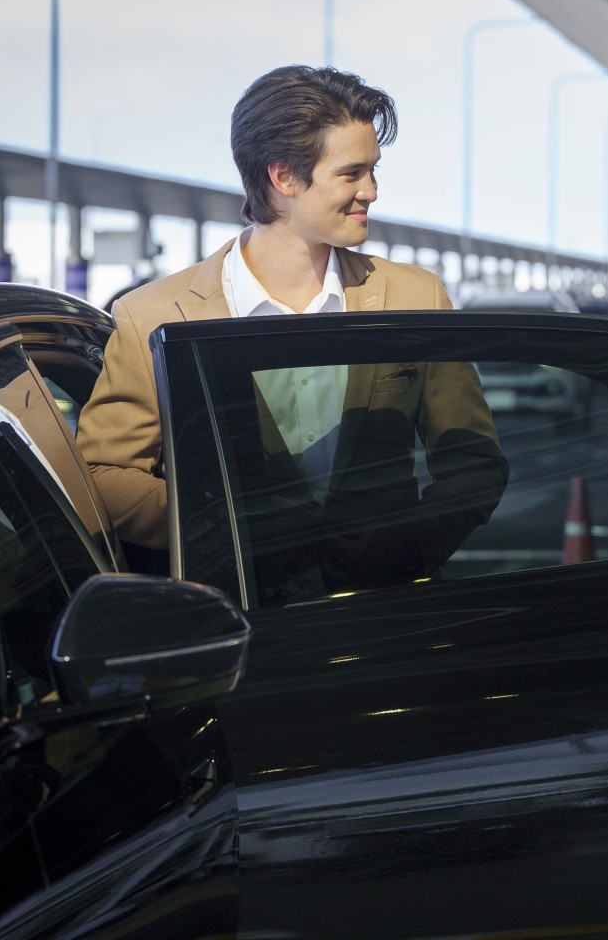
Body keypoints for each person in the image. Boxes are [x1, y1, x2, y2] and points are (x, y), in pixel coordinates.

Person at [77, 65, 507, 579]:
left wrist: (410, 542)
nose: (371, 191)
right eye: (351, 174)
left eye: (374, 171)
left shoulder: (416, 296)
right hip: (229, 624)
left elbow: (474, 461)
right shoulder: (153, 313)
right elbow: (106, 474)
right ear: (282, 177)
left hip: (385, 621)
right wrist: (226, 529)